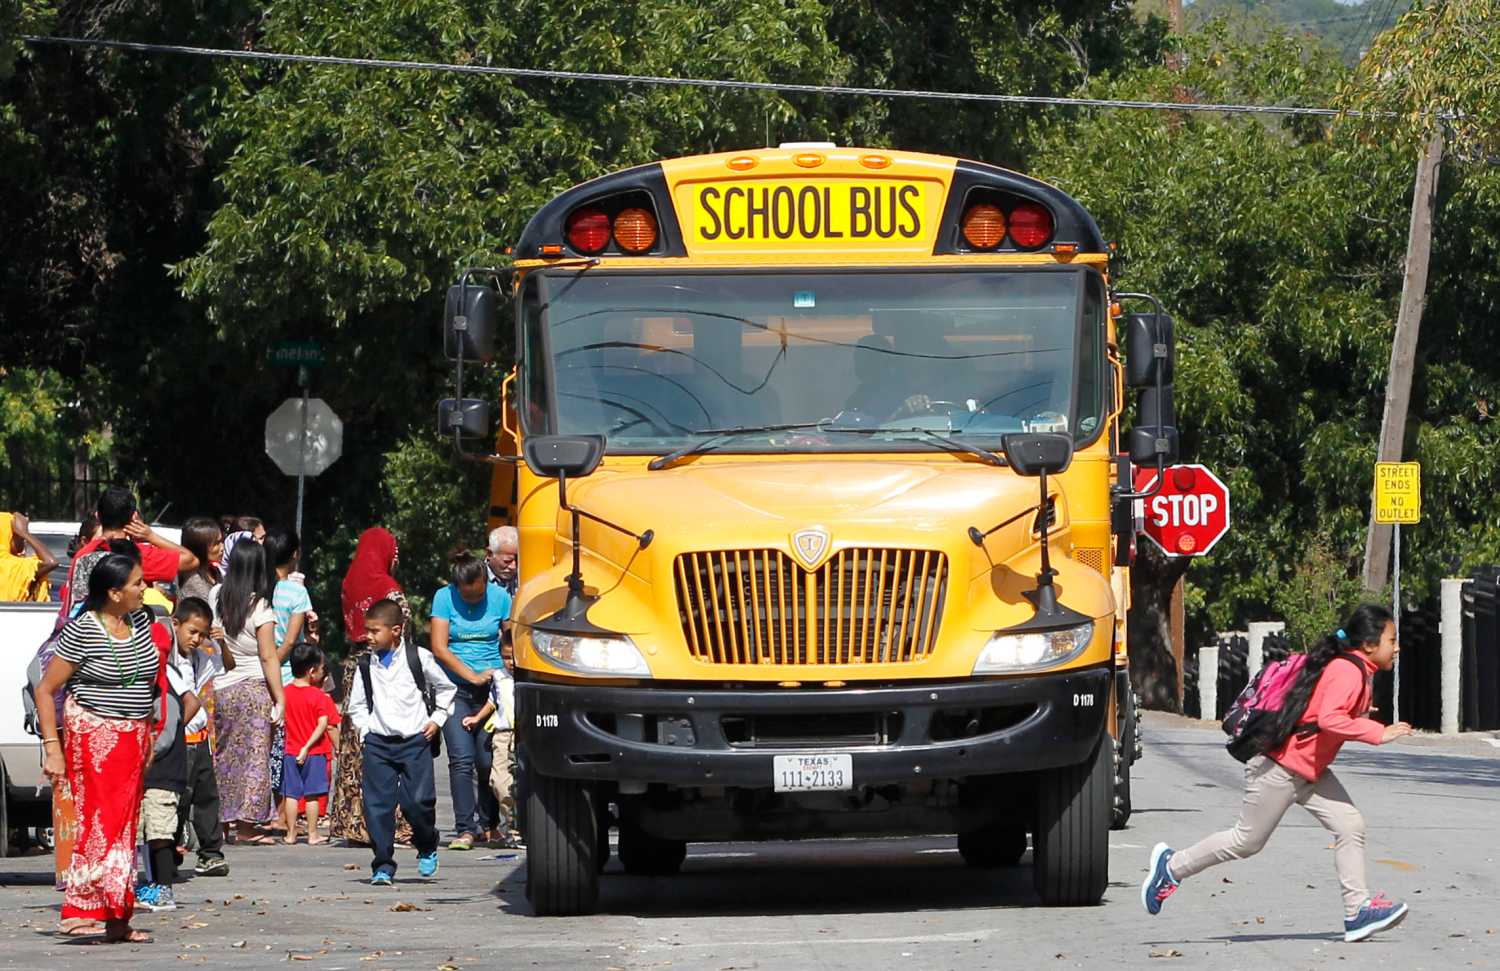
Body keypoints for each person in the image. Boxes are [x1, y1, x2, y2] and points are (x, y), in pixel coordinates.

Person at [1142, 604, 1414, 943]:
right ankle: (1171, 867)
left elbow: (1323, 713)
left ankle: (1357, 912)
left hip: (1309, 769)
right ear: (1370, 644)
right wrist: (1377, 732)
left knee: (1350, 825)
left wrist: (1358, 711)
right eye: (1392, 639)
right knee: (1246, 841)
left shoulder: (1357, 670)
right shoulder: (1349, 670)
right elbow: (1330, 719)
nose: (1397, 646)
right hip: (1280, 769)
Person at [34, 553, 162, 943]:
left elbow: (147, 681)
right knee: (100, 822)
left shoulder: (140, 621)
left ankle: (117, 914)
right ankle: (82, 907)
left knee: (124, 824)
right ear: (113, 592)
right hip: (94, 734)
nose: (144, 589)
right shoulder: (83, 630)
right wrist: (52, 748)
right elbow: (45, 689)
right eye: (137, 583)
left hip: (133, 734)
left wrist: (149, 733)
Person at [346, 598, 455, 885]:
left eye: (374, 631)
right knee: (376, 806)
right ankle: (382, 864)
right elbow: (356, 704)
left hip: (415, 740)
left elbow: (445, 687)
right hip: (379, 744)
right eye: (366, 631)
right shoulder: (365, 664)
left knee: (418, 802)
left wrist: (438, 719)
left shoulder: (417, 657)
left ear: (395, 630)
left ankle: (427, 842)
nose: (368, 636)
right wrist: (365, 731)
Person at [329, 527, 412, 845]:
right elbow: (403, 633)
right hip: (385, 674)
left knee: (356, 744)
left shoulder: (349, 583)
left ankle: (355, 825)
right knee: (389, 742)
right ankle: (389, 824)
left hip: (355, 670)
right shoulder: (388, 587)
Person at [428, 551, 512, 849]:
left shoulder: (500, 597)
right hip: (455, 689)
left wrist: (504, 671)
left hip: (492, 690)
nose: (474, 600)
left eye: (478, 594)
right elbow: (439, 647)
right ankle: (466, 827)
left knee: (487, 760)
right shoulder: (444, 597)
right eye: (467, 595)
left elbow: (511, 637)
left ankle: (490, 824)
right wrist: (471, 675)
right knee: (461, 760)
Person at [210, 539, 285, 843]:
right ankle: (246, 826)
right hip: (255, 688)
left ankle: (221, 820)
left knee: (225, 755)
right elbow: (268, 656)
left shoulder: (216, 595)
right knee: (255, 758)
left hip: (223, 686)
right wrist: (280, 697)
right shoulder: (261, 607)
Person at [135, 602, 207, 913]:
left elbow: (178, 713)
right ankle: (150, 884)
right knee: (145, 831)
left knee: (161, 832)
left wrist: (155, 744)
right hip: (148, 770)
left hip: (164, 769)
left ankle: (164, 888)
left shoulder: (165, 681)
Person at [59, 487, 197, 620]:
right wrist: (151, 536)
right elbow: (191, 561)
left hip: (84, 629)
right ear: (134, 517)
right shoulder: (136, 555)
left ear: (98, 516)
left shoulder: (83, 554)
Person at [169, 596, 230, 877]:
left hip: (200, 738)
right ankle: (168, 850)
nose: (196, 639)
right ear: (175, 624)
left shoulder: (197, 658)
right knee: (177, 801)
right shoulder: (167, 658)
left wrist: (220, 641)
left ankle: (210, 853)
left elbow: (224, 664)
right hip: (180, 738)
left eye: (201, 634)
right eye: (192, 632)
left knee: (207, 797)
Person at [281, 642, 340, 844]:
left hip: (290, 750)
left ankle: (290, 833)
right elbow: (326, 725)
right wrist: (338, 748)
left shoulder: (284, 693)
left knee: (291, 794)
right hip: (315, 753)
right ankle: (313, 833)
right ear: (312, 671)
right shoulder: (319, 697)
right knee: (312, 795)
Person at [464, 664, 519, 846]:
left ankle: (516, 830)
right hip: (503, 734)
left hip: (524, 734)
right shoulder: (498, 676)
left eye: (512, 657)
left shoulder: (531, 673)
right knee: (498, 781)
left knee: (523, 784)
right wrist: (476, 718)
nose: (510, 662)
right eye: (505, 657)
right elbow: (492, 701)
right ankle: (514, 821)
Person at [1, 511, 58, 601]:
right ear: (8, 535)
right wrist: (25, 533)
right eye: (17, 535)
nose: (23, 540)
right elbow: (51, 563)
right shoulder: (14, 568)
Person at [177, 517, 224, 603]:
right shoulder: (193, 580)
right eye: (216, 543)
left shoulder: (214, 571)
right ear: (199, 547)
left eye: (221, 541)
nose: (222, 547)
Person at [486, 526, 518, 595]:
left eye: (518, 560)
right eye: (507, 561)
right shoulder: (475, 579)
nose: (513, 567)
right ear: (489, 554)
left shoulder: (525, 579)